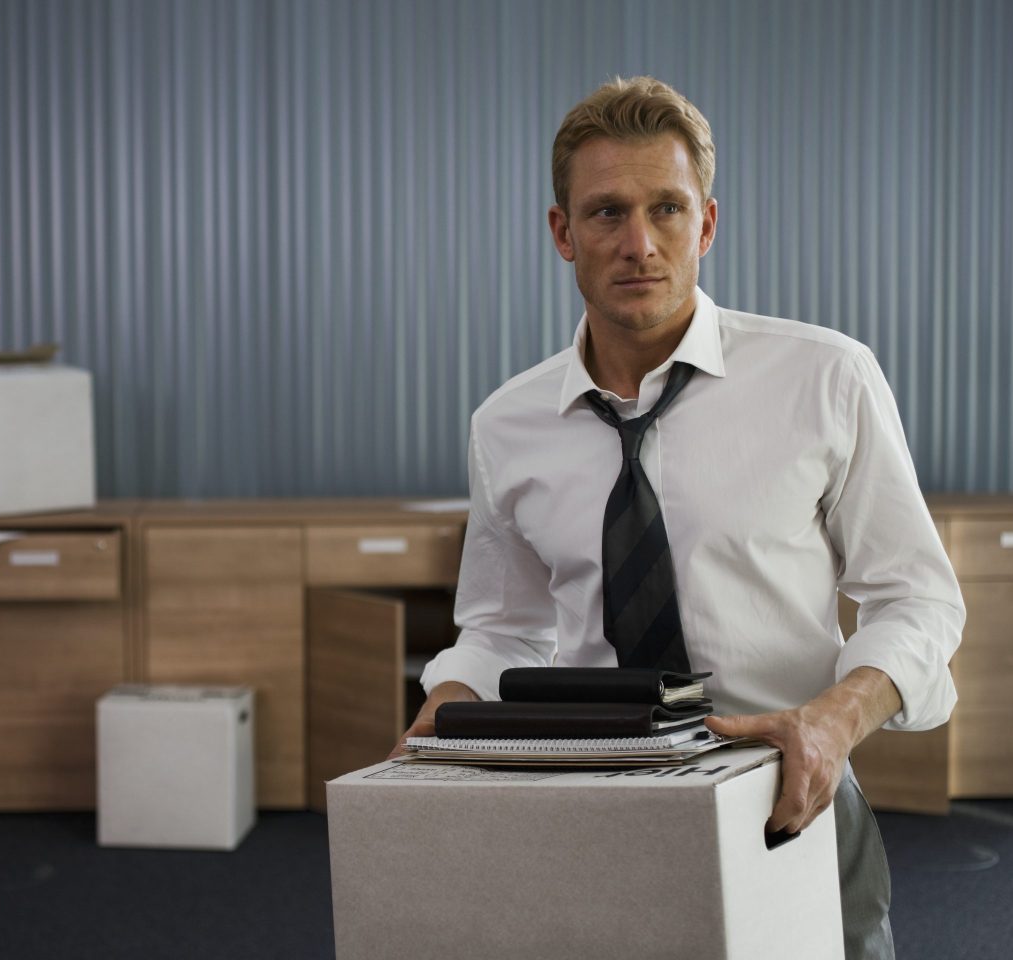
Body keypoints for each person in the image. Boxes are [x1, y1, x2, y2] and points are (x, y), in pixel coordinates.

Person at [389, 76, 964, 960]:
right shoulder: (507, 423)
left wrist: (835, 719)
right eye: (607, 213)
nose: (639, 244)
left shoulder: (826, 379)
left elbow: (919, 601)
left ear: (707, 225)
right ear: (561, 233)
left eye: (667, 209)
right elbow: (503, 626)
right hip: (590, 802)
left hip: (788, 788)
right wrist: (451, 700)